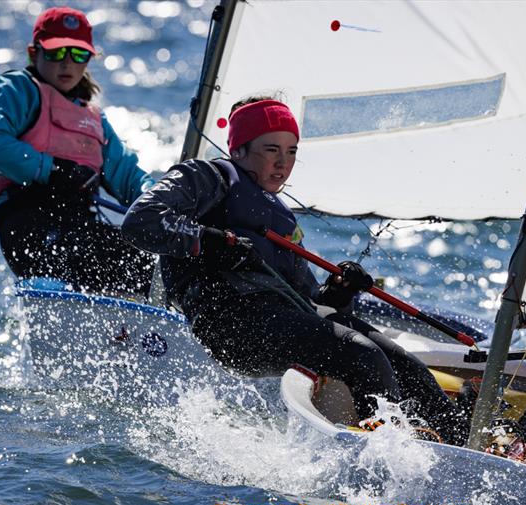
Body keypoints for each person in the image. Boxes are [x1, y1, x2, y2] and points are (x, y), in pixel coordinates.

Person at [121, 97, 470, 445]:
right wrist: (206, 240)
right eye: (271, 149)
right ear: (239, 150)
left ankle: (459, 445)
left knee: (403, 363)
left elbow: (311, 300)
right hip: (231, 323)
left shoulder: (280, 214)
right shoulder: (208, 176)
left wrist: (341, 288)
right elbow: (140, 221)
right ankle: (387, 455)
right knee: (361, 354)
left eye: (291, 152)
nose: (282, 163)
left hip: (277, 318)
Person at [0, 6, 155, 296]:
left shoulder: (94, 119)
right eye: (56, 53)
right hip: (28, 220)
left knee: (157, 267)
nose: (67, 63)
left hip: (80, 227)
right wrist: (52, 169)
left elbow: (128, 176)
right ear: (34, 53)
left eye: (78, 54)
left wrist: (161, 201)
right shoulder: (17, 88)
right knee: (68, 259)